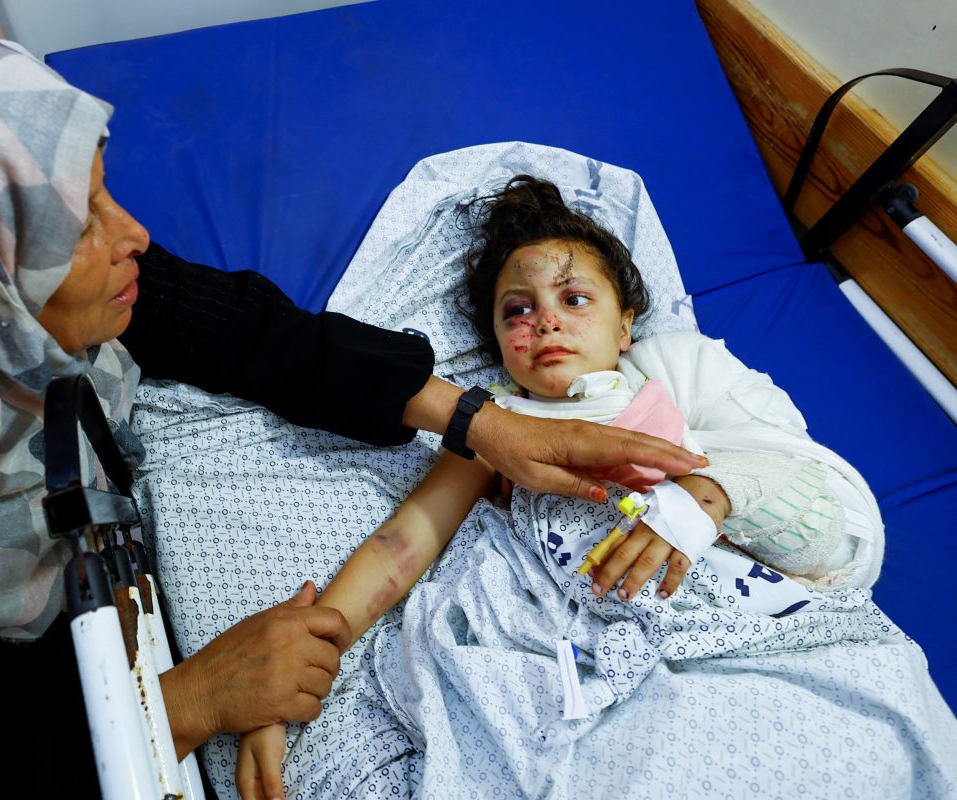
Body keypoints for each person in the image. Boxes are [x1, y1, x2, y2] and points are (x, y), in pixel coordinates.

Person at [0, 38, 703, 795]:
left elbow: (250, 332)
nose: (133, 234)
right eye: (78, 222)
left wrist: (487, 425)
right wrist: (181, 702)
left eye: (105, 187)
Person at [235, 176, 952, 799]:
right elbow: (401, 547)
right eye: (516, 310)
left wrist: (704, 499)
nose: (544, 318)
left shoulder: (674, 369)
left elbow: (823, 500)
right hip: (578, 642)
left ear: (627, 323)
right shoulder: (494, 421)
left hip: (720, 607)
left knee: (863, 736)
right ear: (494, 340)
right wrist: (293, 677)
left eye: (574, 298)